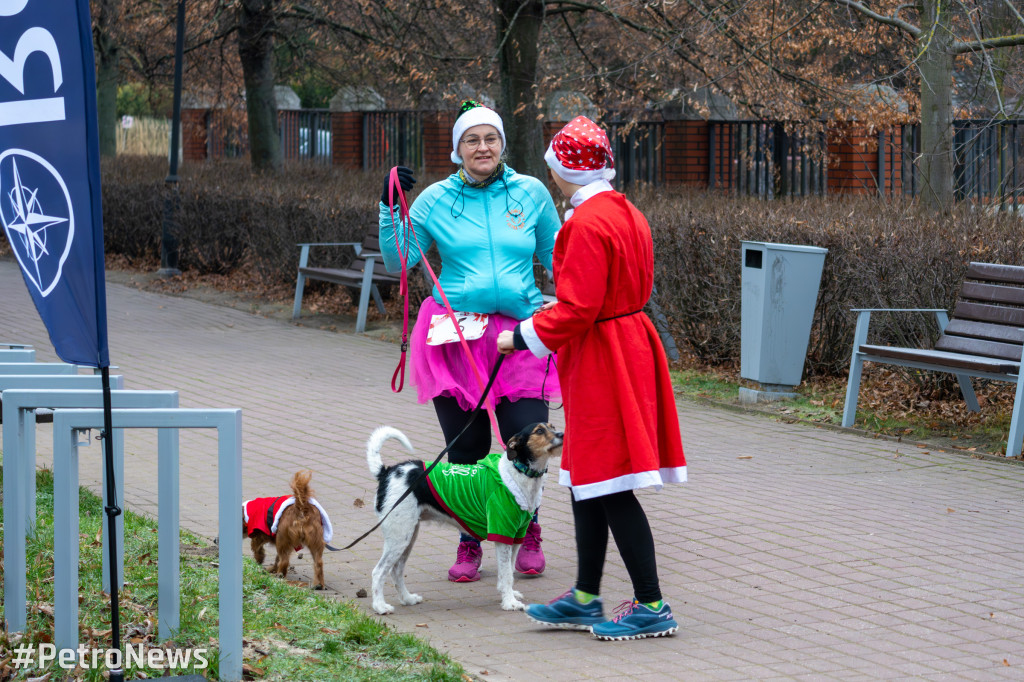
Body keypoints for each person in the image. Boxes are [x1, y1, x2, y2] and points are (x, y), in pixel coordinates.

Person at [497, 116, 687, 640]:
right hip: (625, 344)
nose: (552, 177)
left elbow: (579, 308)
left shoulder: (585, 223)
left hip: (605, 354)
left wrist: (522, 334)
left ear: (565, 170)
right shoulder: (626, 212)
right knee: (588, 477)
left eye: (554, 168)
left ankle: (651, 603)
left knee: (610, 481)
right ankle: (585, 595)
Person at [378, 100, 562, 583]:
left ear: (502, 143)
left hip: (520, 336)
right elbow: (400, 260)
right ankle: (470, 537)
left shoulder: (531, 192)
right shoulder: (436, 198)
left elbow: (558, 255)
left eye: (491, 138)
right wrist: (388, 206)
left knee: (529, 442)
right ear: (458, 149)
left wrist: (569, 305)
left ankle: (527, 529)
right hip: (457, 336)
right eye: (472, 140)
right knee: (467, 450)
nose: (483, 147)